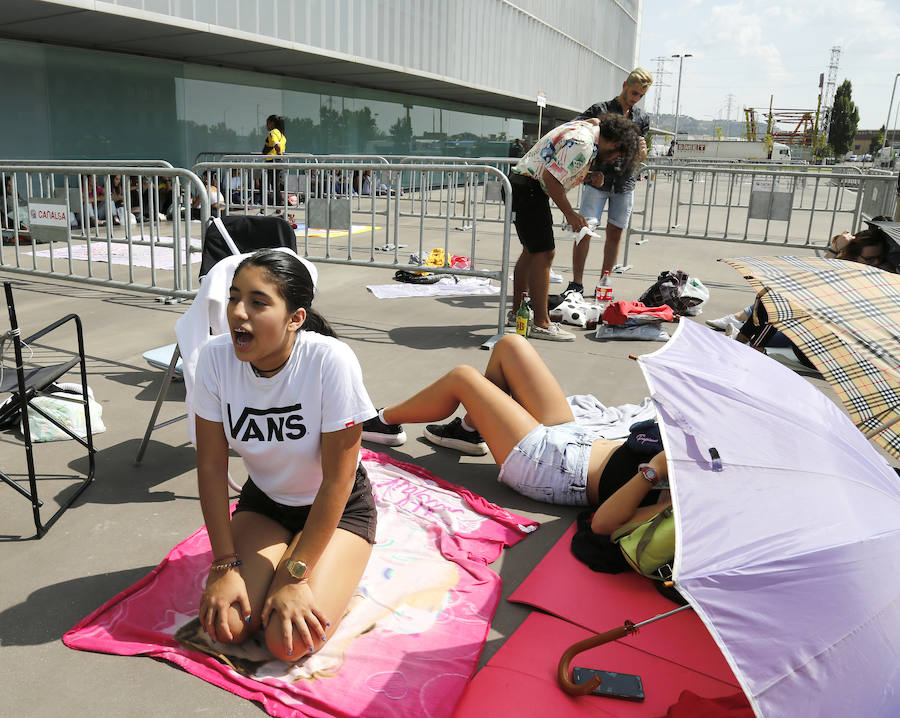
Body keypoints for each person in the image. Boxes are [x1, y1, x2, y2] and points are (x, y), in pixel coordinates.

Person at [193, 249, 378, 663]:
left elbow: (338, 480)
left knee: (287, 642)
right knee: (228, 627)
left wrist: (296, 573)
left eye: (258, 303)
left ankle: (334, 576)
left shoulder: (329, 361)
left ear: (295, 318)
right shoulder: (215, 359)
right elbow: (209, 466)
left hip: (339, 509)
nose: (238, 313)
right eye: (234, 297)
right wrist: (224, 563)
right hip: (266, 505)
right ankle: (289, 562)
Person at [361, 333, 665, 513]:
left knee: (463, 377)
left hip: (554, 469)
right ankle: (469, 430)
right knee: (511, 344)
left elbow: (604, 524)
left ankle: (383, 421)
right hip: (578, 439)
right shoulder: (704, 449)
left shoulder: (687, 493)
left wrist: (654, 472)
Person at [507, 114, 641, 341]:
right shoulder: (584, 143)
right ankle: (540, 322)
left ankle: (518, 314)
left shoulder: (588, 129)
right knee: (544, 253)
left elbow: (558, 165)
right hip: (529, 189)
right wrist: (571, 214)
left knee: (531, 252)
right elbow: (550, 179)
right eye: (619, 153)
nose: (615, 158)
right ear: (616, 144)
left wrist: (587, 176)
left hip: (523, 185)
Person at [564, 68, 653, 299]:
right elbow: (574, 133)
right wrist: (591, 169)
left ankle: (605, 279)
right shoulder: (599, 110)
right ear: (624, 85)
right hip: (596, 182)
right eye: (634, 93)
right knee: (585, 229)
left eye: (641, 96)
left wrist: (641, 156)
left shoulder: (641, 118)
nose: (635, 99)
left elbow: (638, 153)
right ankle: (576, 284)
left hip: (625, 182)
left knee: (616, 232)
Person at [263, 114, 287, 205]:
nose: (266, 126)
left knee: (264, 185)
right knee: (275, 185)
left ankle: (262, 208)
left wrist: (278, 153)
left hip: (271, 161)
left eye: (267, 123)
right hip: (278, 162)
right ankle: (279, 206)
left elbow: (276, 145)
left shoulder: (272, 132)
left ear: (272, 123)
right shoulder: (282, 135)